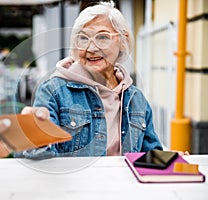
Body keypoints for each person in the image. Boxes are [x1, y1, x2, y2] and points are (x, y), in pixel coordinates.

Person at [19, 1, 163, 159]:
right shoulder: (53, 91)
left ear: (123, 41)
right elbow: (41, 157)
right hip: (75, 185)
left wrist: (169, 161)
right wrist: (37, 136)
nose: (91, 48)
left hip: (123, 184)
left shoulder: (137, 99)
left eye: (102, 37)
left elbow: (151, 156)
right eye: (83, 38)